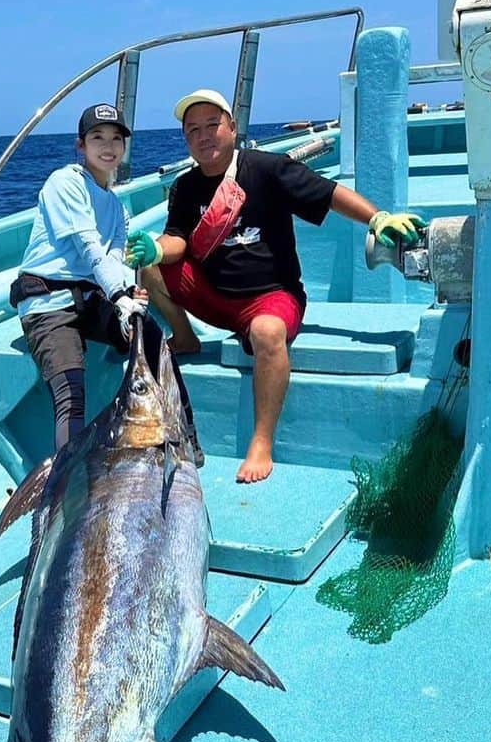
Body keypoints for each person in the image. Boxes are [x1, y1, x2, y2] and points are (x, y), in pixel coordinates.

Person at [126, 89, 422, 484]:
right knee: (152, 271)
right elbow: (178, 240)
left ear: (232, 127)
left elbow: (330, 195)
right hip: (216, 298)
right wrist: (155, 249)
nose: (203, 136)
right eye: (192, 130)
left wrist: (377, 218)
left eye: (212, 125)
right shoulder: (184, 188)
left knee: (267, 332)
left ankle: (261, 441)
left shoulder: (269, 169)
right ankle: (185, 338)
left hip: (271, 297)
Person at [11, 102, 200, 457]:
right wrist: (120, 298)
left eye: (116, 138)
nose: (108, 146)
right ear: (80, 146)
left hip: (94, 299)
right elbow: (89, 249)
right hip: (48, 303)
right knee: (71, 392)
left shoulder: (115, 205)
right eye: (97, 137)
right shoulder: (64, 182)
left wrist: (130, 297)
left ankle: (185, 440)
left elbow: (115, 258)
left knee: (154, 342)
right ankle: (66, 486)